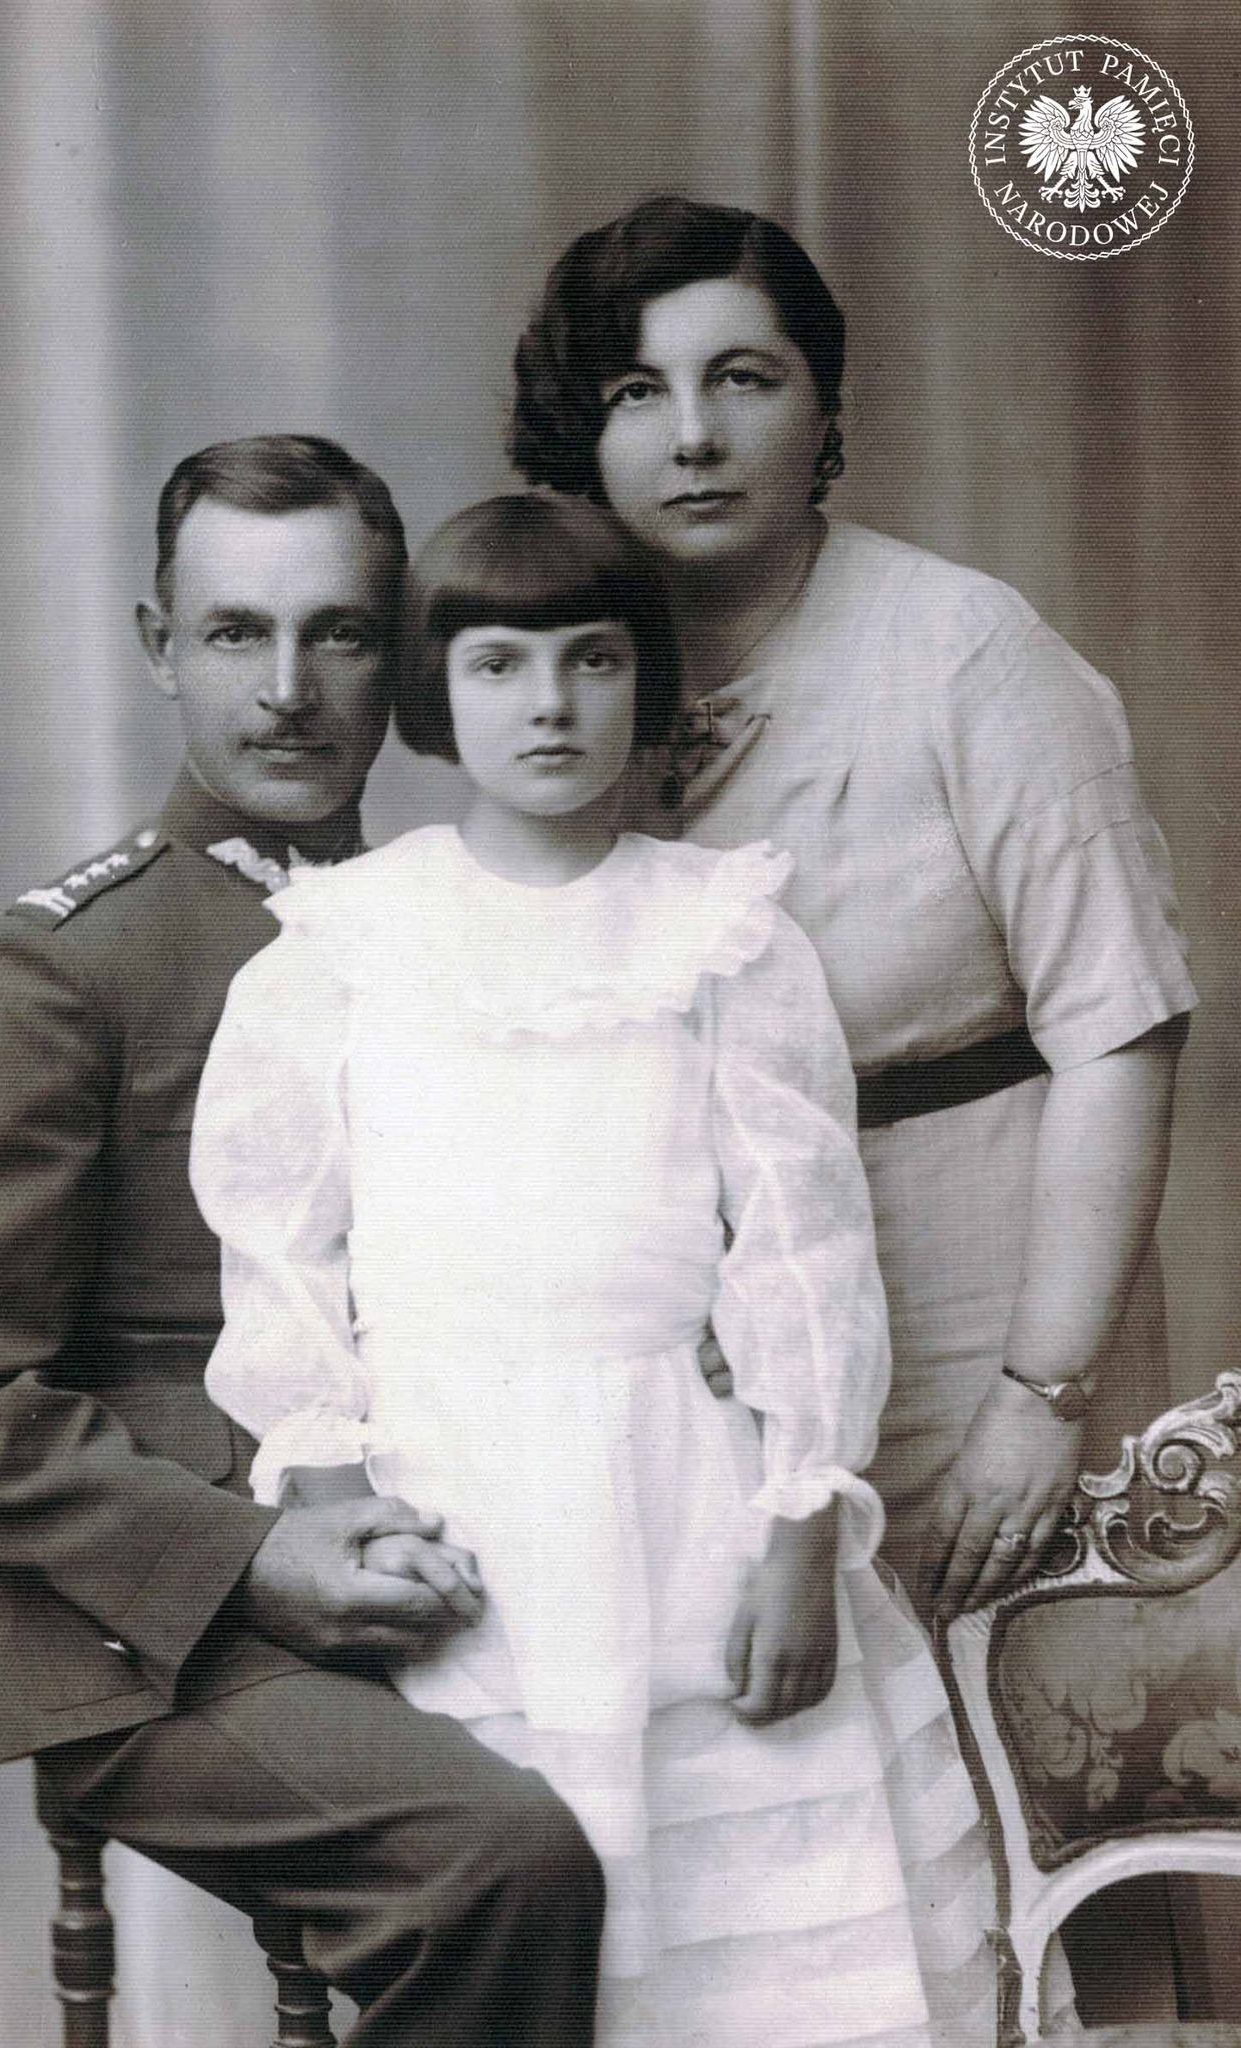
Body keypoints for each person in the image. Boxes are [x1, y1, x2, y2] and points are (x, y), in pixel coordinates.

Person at [190, 492, 999, 2048]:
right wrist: (336, 1501)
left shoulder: (725, 933)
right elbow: (278, 1251)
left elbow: (806, 1253)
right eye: (498, 664)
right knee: (526, 1916)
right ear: (435, 690)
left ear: (646, 680)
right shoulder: (342, 943)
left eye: (592, 659)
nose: (550, 704)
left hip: (685, 1491)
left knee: (751, 1958)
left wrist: (800, 1531)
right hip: (454, 1510)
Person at [0, 435, 605, 2048]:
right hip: (163, 1629)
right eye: (236, 633)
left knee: (696, 1780)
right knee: (503, 1865)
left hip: (439, 1543)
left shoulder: (458, 927)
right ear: (162, 647)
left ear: (395, 651)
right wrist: (250, 1556)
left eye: (338, 632)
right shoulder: (64, 968)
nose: (289, 690)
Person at [509, 195, 1197, 1625]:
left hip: (986, 1326)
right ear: (585, 433)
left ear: (823, 409)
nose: (692, 436)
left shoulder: (965, 652)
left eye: (741, 379)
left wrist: (1042, 1399)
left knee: (1023, 1729)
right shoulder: (569, 683)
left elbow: (1122, 1034)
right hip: (718, 1353)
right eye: (637, 392)